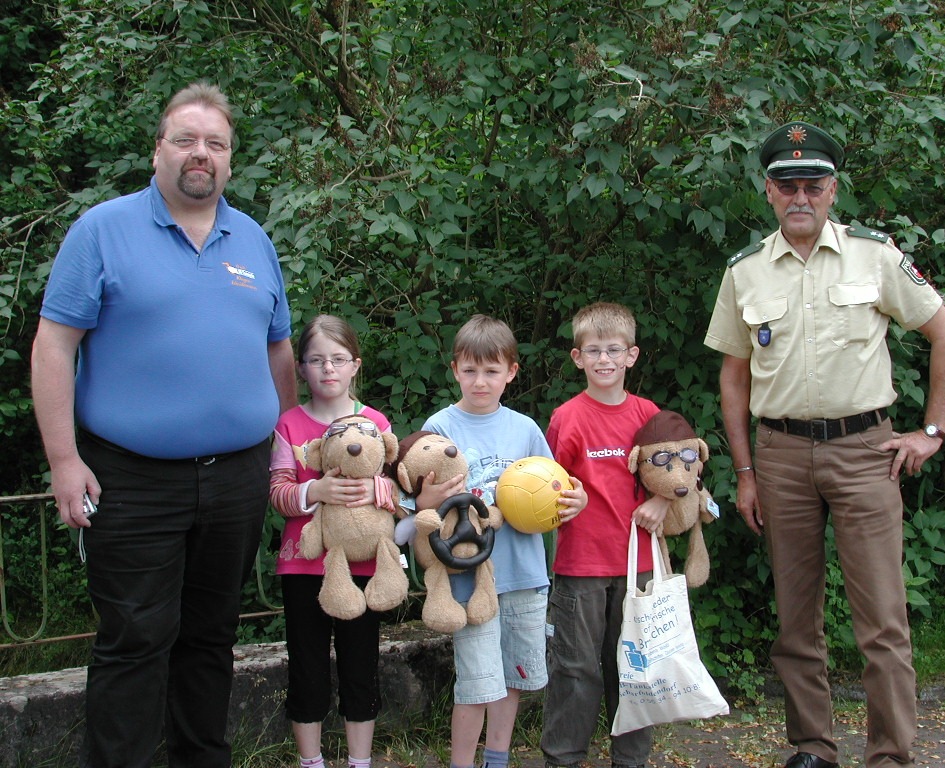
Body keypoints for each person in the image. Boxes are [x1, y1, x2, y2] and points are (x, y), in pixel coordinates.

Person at [30, 82, 297, 768]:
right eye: (185, 139)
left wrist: (283, 447)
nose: (200, 154)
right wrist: (64, 460)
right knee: (135, 638)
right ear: (158, 150)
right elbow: (54, 345)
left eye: (215, 143)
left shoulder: (254, 239)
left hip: (237, 477)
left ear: (231, 160)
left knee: (212, 636)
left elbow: (278, 351)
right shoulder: (102, 230)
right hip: (131, 477)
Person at [703, 121, 945, 768]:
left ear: (832, 189)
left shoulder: (875, 257)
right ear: (767, 190)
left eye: (812, 183)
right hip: (781, 457)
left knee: (881, 621)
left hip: (865, 452)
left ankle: (889, 755)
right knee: (796, 620)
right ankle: (813, 749)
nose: (800, 195)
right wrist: (743, 471)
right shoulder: (744, 273)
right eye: (786, 184)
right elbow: (733, 378)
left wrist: (931, 433)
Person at [415, 314, 587, 768]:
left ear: (511, 372)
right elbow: (421, 501)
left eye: (491, 371)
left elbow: (557, 490)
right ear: (454, 370)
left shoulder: (525, 429)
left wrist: (577, 499)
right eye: (470, 370)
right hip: (469, 580)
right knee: (476, 681)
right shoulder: (440, 427)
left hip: (525, 575)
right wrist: (426, 498)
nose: (479, 381)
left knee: (511, 678)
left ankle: (498, 758)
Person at [540, 301, 670, 768]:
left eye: (614, 350)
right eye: (592, 351)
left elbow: (678, 470)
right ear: (578, 358)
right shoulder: (566, 418)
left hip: (640, 565)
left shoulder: (649, 414)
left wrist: (662, 501)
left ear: (631, 355)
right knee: (575, 669)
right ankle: (563, 758)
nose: (604, 360)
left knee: (635, 670)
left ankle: (630, 759)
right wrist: (565, 502)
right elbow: (546, 488)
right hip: (581, 565)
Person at [269, 314, 395, 768]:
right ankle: (311, 761)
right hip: (303, 567)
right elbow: (279, 493)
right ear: (301, 367)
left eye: (338, 359)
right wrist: (314, 491)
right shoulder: (289, 424)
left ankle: (360, 762)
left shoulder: (374, 422)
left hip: (363, 567)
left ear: (355, 365)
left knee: (361, 665)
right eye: (316, 360)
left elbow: (397, 488)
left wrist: (376, 490)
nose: (328, 369)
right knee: (307, 666)